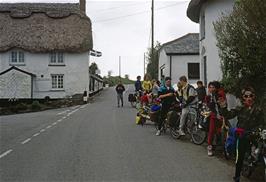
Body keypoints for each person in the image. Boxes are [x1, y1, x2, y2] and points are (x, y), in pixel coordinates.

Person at [218, 86, 265, 182]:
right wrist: (223, 107)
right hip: (242, 135)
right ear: (243, 97)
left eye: (250, 96)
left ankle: (256, 164)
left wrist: (258, 130)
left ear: (254, 97)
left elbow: (262, 123)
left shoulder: (258, 109)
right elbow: (228, 115)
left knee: (260, 152)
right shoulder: (240, 108)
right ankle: (237, 176)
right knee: (240, 158)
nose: (249, 98)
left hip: (255, 134)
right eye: (246, 96)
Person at [205, 81, 223, 156]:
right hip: (213, 115)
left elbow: (223, 105)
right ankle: (209, 147)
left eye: (213, 87)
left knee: (221, 131)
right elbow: (208, 106)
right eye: (210, 87)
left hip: (221, 116)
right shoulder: (208, 96)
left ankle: (222, 147)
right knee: (211, 131)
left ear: (216, 88)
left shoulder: (220, 95)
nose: (211, 89)